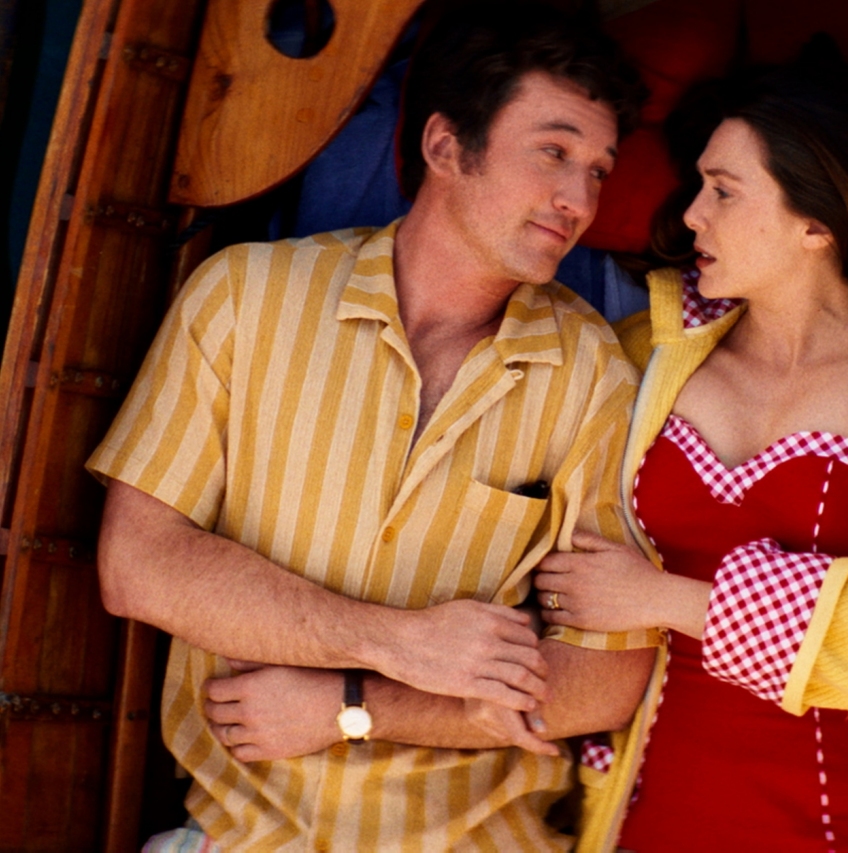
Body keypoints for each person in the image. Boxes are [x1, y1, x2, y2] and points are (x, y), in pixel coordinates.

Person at [87, 4, 659, 850]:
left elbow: (606, 678)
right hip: (243, 836)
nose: (579, 200)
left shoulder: (594, 374)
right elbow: (138, 565)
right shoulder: (244, 298)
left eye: (598, 171)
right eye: (554, 152)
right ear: (444, 146)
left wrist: (356, 705)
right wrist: (398, 641)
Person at [531, 45, 848, 851]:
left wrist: (664, 599)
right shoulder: (641, 357)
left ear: (817, 221)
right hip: (646, 818)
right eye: (699, 185)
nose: (693, 214)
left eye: (724, 190)